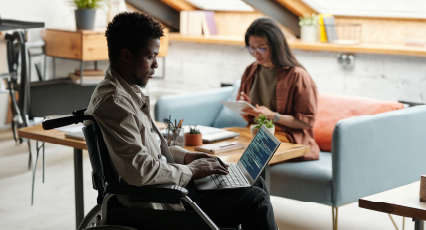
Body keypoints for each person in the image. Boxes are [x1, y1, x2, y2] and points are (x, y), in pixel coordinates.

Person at [85, 12, 277, 229]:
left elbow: (153, 151)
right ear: (126, 55)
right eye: (150, 57)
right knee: (256, 201)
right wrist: (193, 171)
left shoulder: (126, 93)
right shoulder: (115, 102)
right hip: (159, 201)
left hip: (168, 186)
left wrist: (187, 157)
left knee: (254, 181)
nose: (156, 65)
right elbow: (140, 171)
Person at [238, 17, 321, 161]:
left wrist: (274, 116)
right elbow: (250, 119)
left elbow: (306, 122)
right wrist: (247, 109)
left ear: (276, 46)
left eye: (262, 48)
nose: (256, 54)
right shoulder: (250, 70)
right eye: (251, 48)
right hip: (255, 130)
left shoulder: (298, 76)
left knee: (251, 151)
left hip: (287, 135)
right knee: (223, 140)